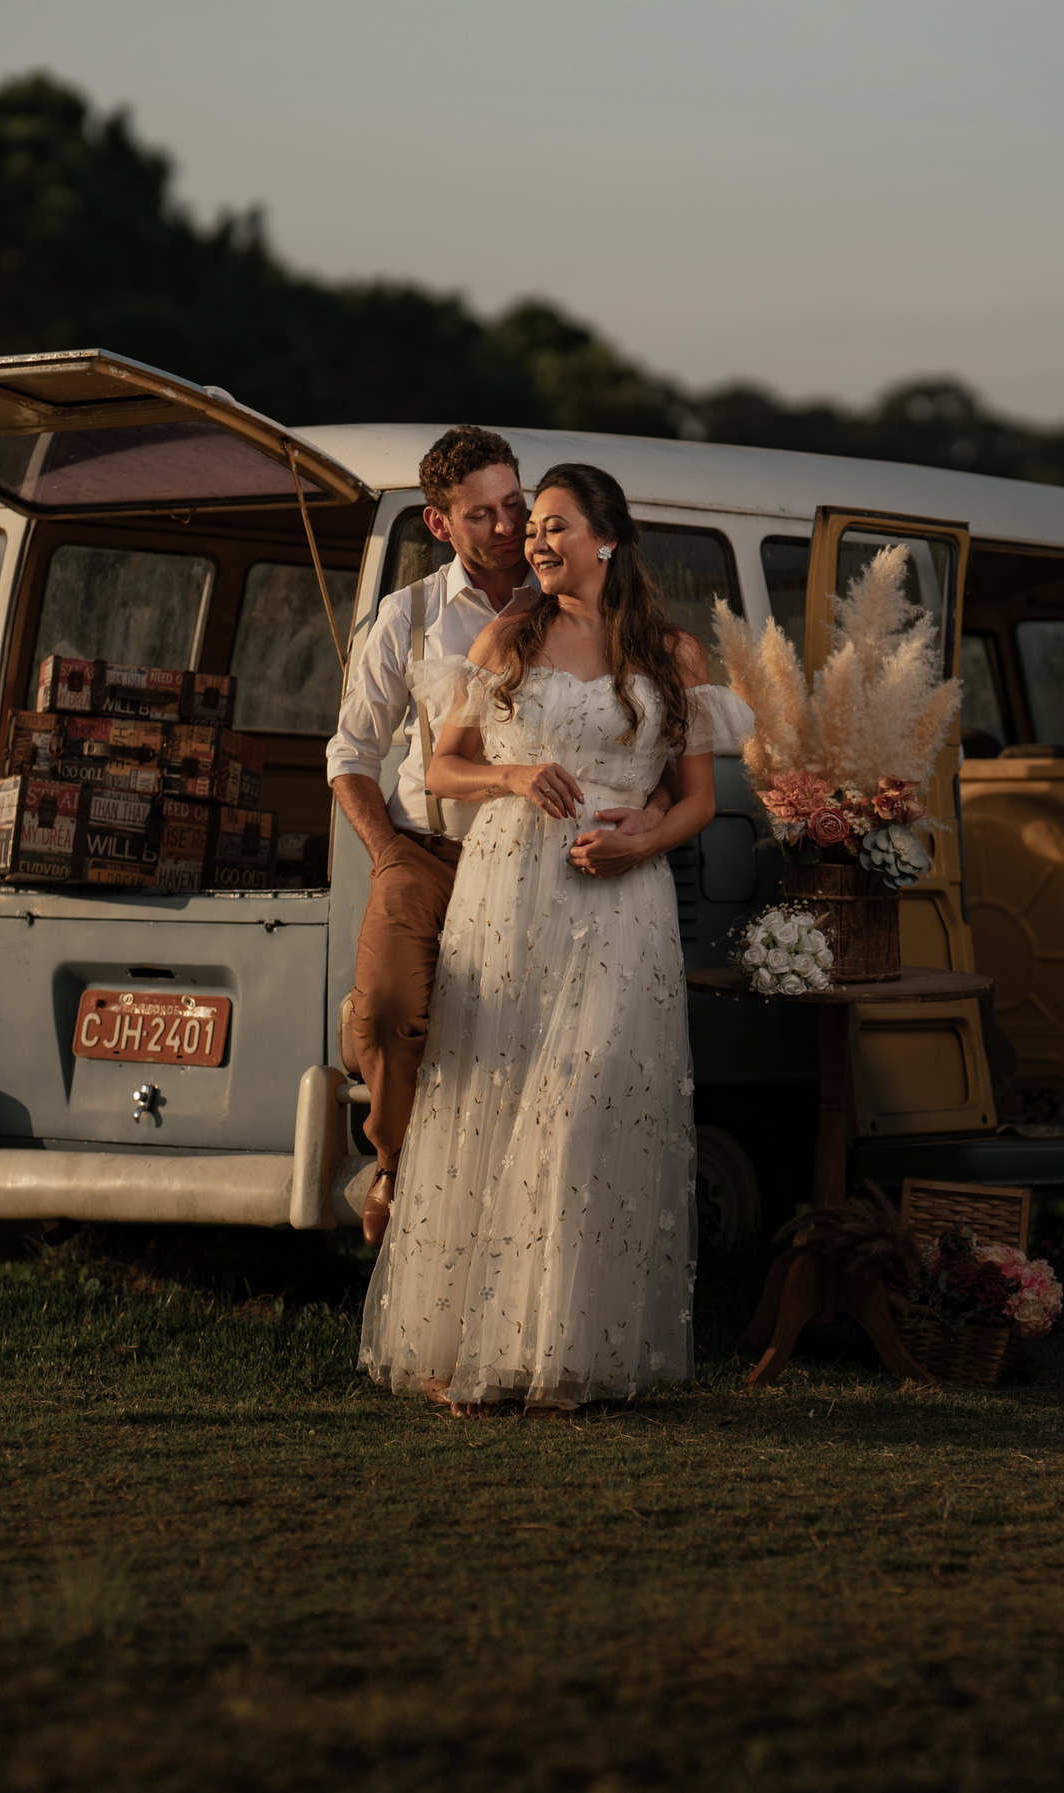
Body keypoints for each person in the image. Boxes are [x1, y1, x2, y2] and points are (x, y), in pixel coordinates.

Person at [358, 462, 752, 1415]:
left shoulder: (673, 655)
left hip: (620, 900)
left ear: (606, 539)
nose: (533, 540)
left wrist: (641, 842)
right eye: (530, 526)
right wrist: (516, 773)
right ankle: (469, 1347)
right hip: (507, 889)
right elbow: (442, 770)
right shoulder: (505, 639)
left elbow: (697, 799)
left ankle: (564, 1355)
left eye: (553, 525)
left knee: (584, 1109)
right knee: (492, 1104)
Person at [325, 428, 669, 1247]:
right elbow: (351, 753)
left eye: (516, 505)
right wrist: (387, 855)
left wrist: (651, 815)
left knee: (534, 1052)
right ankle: (396, 1165)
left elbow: (642, 737)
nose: (511, 527)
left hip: (546, 859)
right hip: (432, 847)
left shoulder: (573, 595)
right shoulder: (407, 617)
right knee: (389, 1011)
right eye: (482, 515)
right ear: (440, 526)